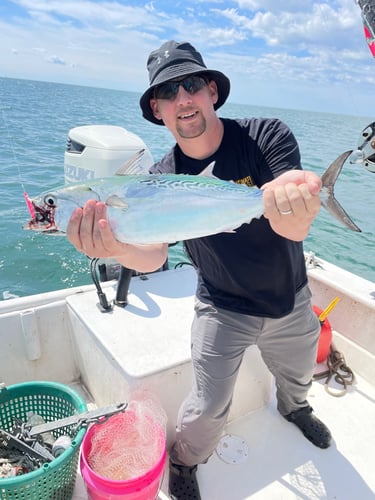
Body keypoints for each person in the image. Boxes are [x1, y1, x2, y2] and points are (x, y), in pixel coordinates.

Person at [67, 40, 332, 500]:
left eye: (191, 85)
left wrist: (298, 200)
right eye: (168, 93)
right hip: (221, 307)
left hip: (292, 298)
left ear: (211, 91)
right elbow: (151, 256)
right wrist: (117, 246)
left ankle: (296, 409)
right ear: (157, 109)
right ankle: (185, 460)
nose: (182, 99)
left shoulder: (265, 135)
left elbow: (292, 229)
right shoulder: (158, 179)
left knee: (299, 377)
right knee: (207, 408)